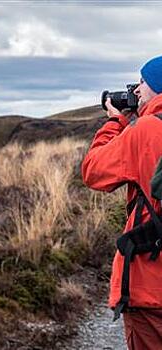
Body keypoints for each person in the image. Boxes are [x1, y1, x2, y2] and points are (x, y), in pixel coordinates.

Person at [82, 55, 162, 349]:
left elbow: (93, 171)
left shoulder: (145, 131)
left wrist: (117, 121)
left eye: (144, 81)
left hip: (153, 287)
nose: (137, 90)